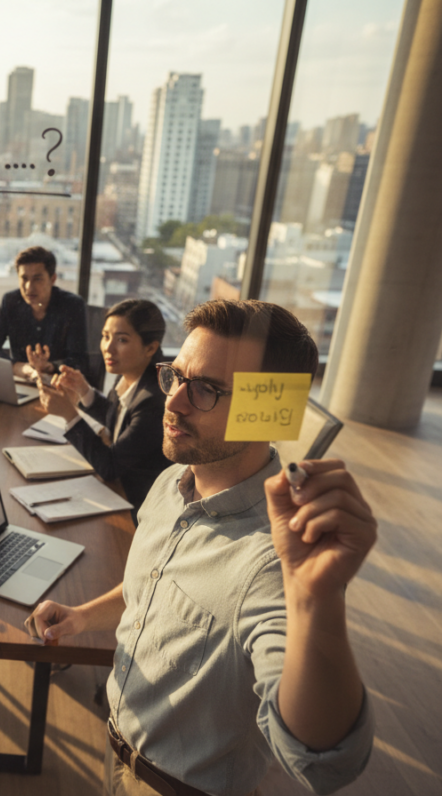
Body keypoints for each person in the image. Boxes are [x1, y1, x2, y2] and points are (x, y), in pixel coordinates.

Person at [27, 300, 376, 796]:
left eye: (207, 389)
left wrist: (315, 600)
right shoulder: (172, 482)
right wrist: (82, 616)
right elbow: (150, 589)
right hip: (117, 753)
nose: (173, 402)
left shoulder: (274, 561)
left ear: (267, 410)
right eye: (177, 377)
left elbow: (324, 764)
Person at [37, 299, 172, 521]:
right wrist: (83, 391)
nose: (108, 348)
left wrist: (70, 415)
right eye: (105, 336)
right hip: (116, 492)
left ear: (150, 348)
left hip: (137, 508)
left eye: (122, 340)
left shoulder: (154, 400)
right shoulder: (131, 376)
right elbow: (119, 419)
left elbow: (109, 467)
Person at [0, 245, 88, 377]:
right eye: (24, 278)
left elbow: (79, 361)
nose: (29, 287)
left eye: (37, 279)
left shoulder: (72, 305)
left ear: (52, 279)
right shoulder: (10, 302)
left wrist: (49, 367)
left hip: (59, 385)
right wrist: (17, 367)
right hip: (20, 382)